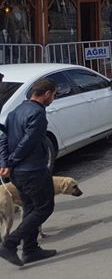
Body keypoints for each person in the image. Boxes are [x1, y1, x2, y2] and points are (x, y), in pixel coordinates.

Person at [0, 79, 58, 267]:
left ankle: (30, 249)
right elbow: (29, 141)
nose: (53, 99)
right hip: (33, 170)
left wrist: (5, 162)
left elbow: (4, 140)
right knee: (44, 207)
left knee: (31, 208)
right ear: (47, 93)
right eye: (54, 95)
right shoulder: (37, 113)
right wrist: (11, 160)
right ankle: (10, 243)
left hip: (18, 172)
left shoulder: (15, 112)